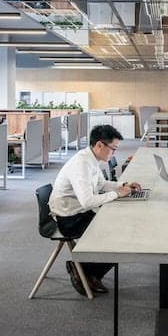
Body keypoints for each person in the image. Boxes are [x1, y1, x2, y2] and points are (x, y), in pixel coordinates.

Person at [50, 125, 143, 295]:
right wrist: (117, 194)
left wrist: (123, 185)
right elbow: (87, 202)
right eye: (113, 149)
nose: (114, 153)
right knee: (119, 234)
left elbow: (101, 185)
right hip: (69, 218)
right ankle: (86, 271)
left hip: (79, 211)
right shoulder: (81, 164)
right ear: (100, 145)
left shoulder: (91, 159)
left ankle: (86, 270)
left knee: (122, 228)